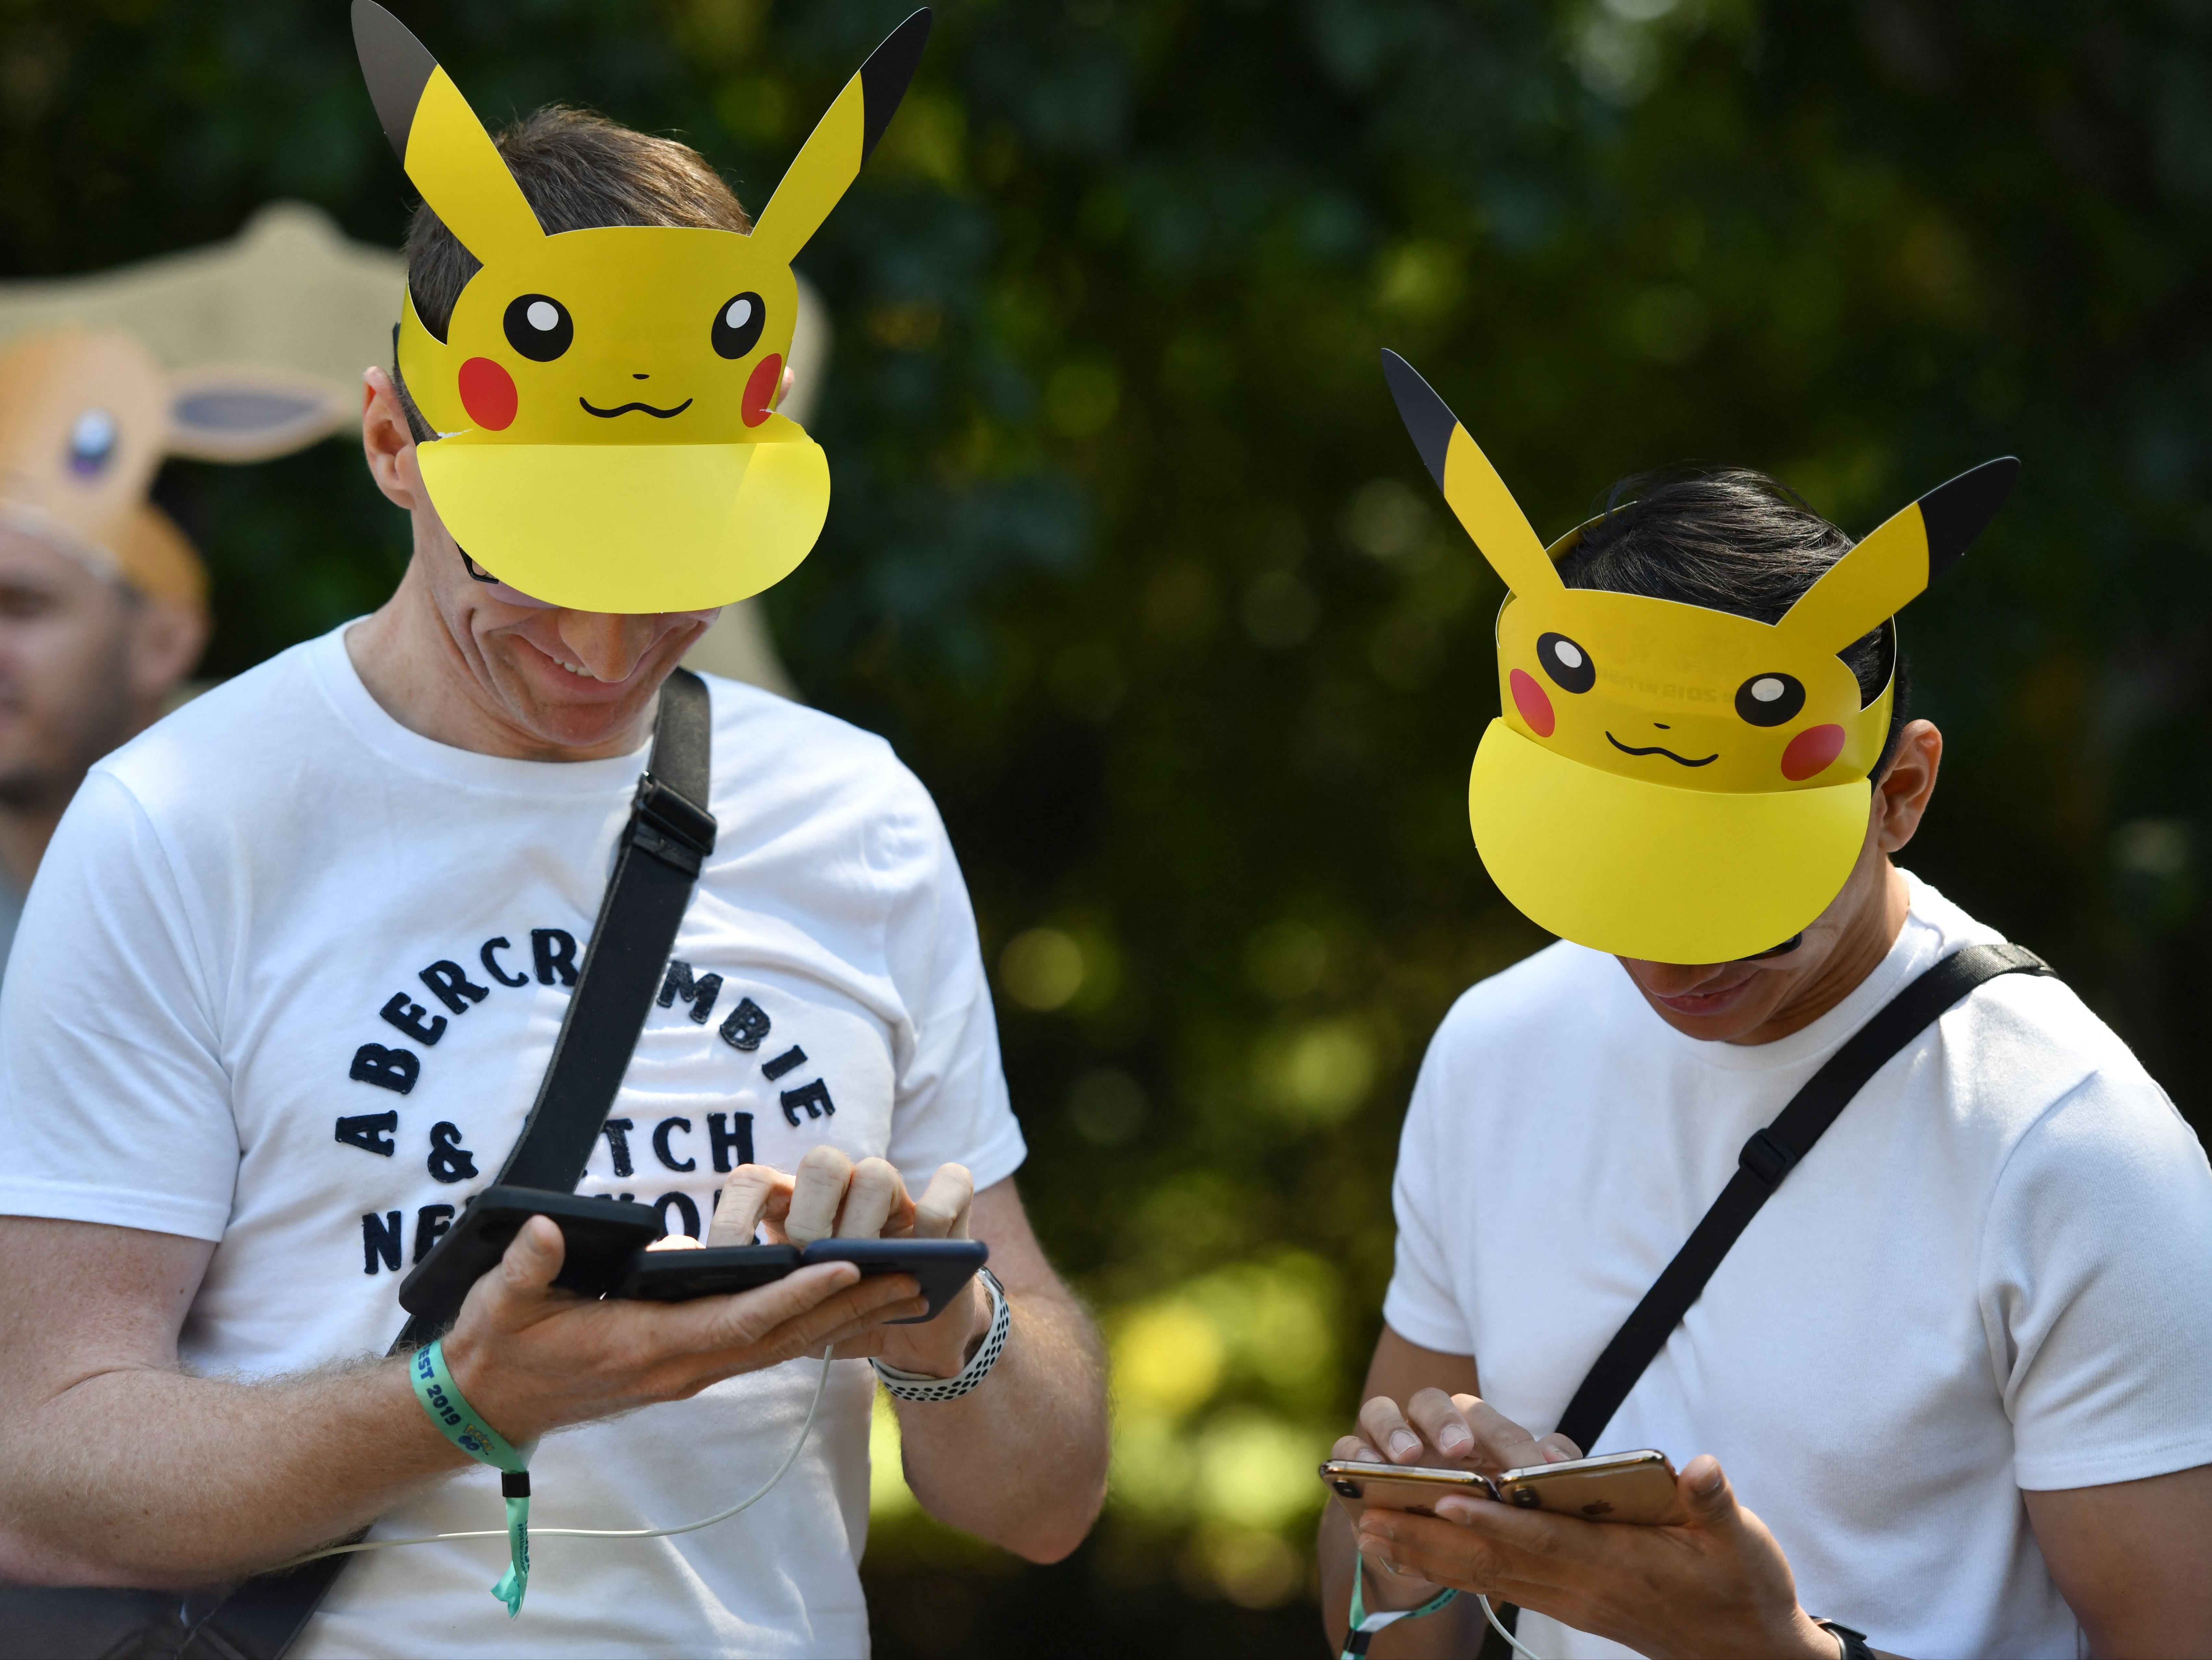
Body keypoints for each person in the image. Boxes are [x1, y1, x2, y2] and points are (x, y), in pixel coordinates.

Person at [0, 11, 1108, 1658]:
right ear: (393, 439)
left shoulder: (859, 817)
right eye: (531, 560)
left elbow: (1041, 1500)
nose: (600, 644)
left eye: (663, 566)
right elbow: (47, 1472)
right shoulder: (184, 818)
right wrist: (461, 1399)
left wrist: (939, 1317)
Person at [1317, 355, 2212, 1658]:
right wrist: (1413, 1551)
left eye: (1741, 889)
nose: (1674, 957)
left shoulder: (2068, 1145)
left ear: (1901, 793)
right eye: (1623, 876)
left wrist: (1773, 1652)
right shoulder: (1496, 1049)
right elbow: (1385, 1624)